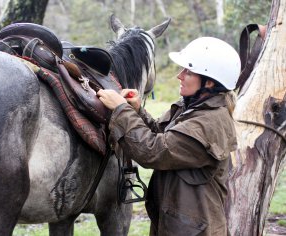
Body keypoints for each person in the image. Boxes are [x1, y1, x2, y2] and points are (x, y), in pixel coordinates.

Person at [97, 37, 240, 235]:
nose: (179, 76)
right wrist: (138, 111)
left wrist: (121, 110)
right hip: (181, 224)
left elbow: (153, 151)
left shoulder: (208, 124)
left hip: (192, 230)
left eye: (188, 71)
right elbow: (166, 137)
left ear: (209, 82)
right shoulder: (194, 107)